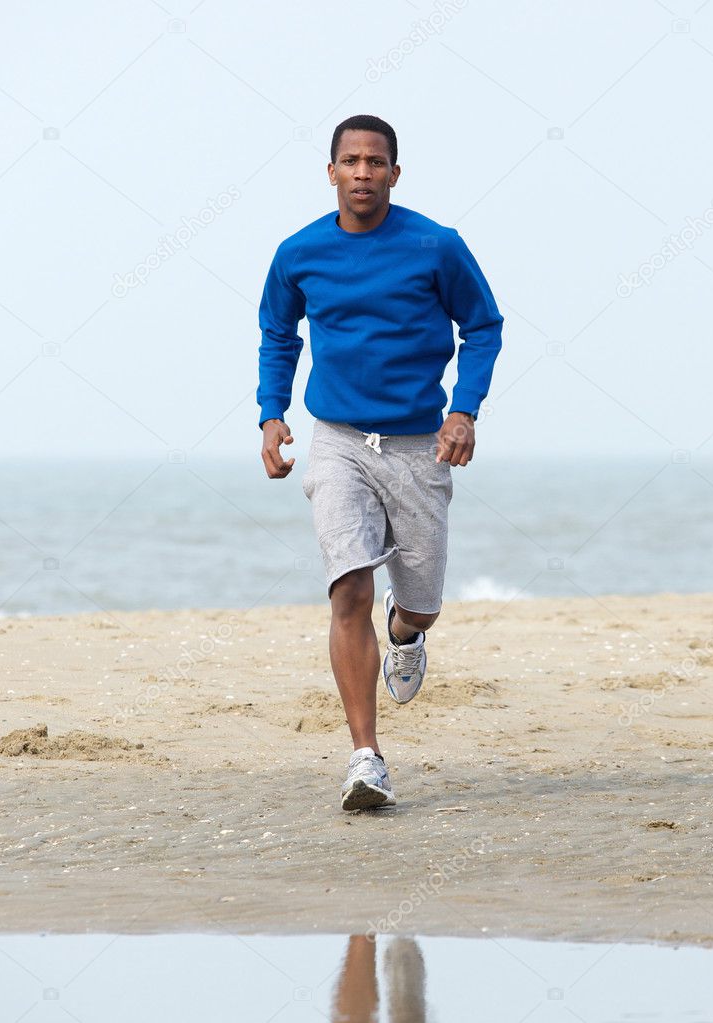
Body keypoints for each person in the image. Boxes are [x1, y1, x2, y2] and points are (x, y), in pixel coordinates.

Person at [257, 114, 503, 811]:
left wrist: (465, 409)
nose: (363, 172)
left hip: (419, 443)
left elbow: (483, 326)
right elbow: (279, 332)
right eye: (350, 160)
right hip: (336, 438)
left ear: (395, 173)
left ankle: (405, 630)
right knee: (348, 589)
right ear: (330, 171)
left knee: (418, 604)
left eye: (376, 162)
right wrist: (272, 414)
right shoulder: (298, 252)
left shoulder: (436, 245)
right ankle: (366, 758)